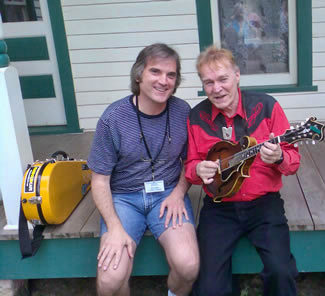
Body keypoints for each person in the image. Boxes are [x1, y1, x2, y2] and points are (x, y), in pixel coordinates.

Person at [185, 45, 300, 296]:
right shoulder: (196, 117)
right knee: (207, 288)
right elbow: (189, 166)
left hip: (263, 204)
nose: (217, 88)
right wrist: (197, 169)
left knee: (281, 272)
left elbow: (293, 161)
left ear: (237, 75)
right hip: (219, 206)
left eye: (223, 79)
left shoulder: (266, 107)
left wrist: (279, 156)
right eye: (209, 82)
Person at [87, 43, 199, 296]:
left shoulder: (182, 112)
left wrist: (178, 192)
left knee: (188, 265)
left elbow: (190, 162)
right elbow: (100, 181)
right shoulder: (113, 118)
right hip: (123, 198)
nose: (164, 81)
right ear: (139, 75)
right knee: (109, 282)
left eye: (171, 75)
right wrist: (114, 226)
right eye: (155, 72)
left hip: (167, 194)